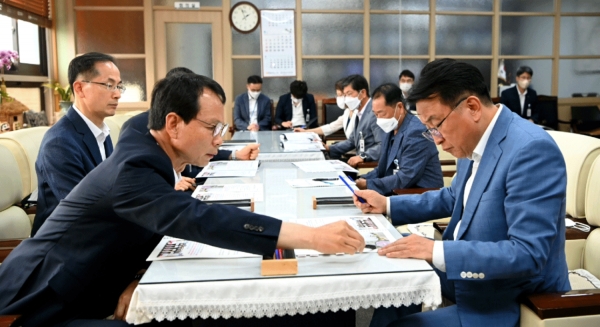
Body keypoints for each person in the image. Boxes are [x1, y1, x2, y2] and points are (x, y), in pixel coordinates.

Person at [0, 73, 365, 326]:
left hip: (95, 284)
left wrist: (137, 275)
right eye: (212, 129)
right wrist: (313, 237)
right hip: (44, 306)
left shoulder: (144, 139)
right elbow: (200, 219)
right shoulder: (134, 171)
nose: (219, 140)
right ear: (173, 124)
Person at [354, 59, 569, 327]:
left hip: (506, 298)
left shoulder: (531, 150)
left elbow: (528, 254)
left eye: (436, 124)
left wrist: (437, 250)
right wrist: (387, 205)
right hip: (471, 275)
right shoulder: (474, 138)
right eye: (428, 129)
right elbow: (453, 197)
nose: (436, 139)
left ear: (472, 107)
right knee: (394, 260)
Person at [31, 52, 124, 237]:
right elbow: (82, 211)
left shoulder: (102, 133)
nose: (117, 94)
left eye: (119, 86)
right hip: (66, 248)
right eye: (108, 85)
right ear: (80, 88)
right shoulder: (59, 142)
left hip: (100, 236)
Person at [120, 67, 260, 187]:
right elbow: (135, 170)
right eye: (212, 127)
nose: (218, 141)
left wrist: (235, 154)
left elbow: (201, 146)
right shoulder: (137, 126)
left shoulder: (192, 126)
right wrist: (174, 181)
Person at [355, 83, 443, 195]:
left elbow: (405, 177)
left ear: (400, 108)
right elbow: (382, 169)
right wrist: (359, 179)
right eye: (375, 115)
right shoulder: (392, 128)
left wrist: (368, 184)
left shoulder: (416, 132)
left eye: (382, 113)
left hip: (418, 195)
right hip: (398, 191)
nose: (379, 120)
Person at [325, 74, 383, 167]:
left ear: (363, 93)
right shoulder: (359, 112)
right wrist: (329, 148)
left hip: (371, 164)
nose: (346, 99)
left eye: (349, 94)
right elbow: (352, 141)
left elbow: (382, 145)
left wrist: (362, 157)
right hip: (360, 162)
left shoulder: (374, 112)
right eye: (345, 95)